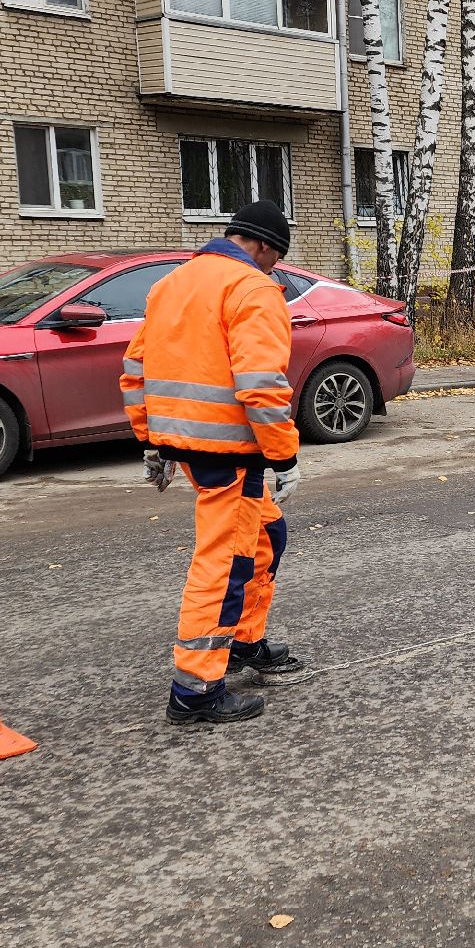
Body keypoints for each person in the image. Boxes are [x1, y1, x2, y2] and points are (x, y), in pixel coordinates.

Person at [121, 201, 310, 725]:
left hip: (187, 446)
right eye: (276, 259)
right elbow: (261, 385)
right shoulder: (253, 289)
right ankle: (197, 688)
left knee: (267, 536)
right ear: (267, 247)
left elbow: (135, 367)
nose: (274, 268)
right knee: (225, 562)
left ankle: (244, 641)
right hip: (231, 454)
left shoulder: (172, 285)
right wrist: (285, 455)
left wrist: (151, 442)